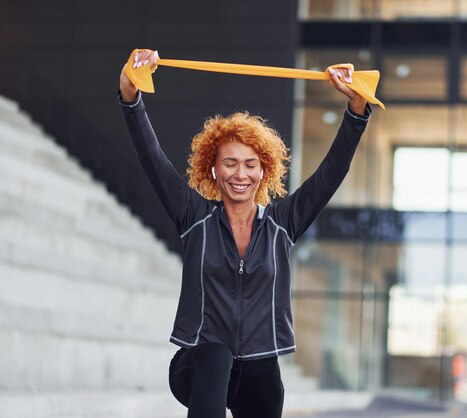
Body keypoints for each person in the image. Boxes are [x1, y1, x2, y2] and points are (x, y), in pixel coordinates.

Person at [118, 49, 371, 418]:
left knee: (264, 377)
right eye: (230, 164)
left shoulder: (284, 224)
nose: (240, 174)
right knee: (217, 355)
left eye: (250, 165)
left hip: (259, 370)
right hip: (200, 365)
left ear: (263, 172)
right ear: (215, 170)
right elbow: (151, 157)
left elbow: (331, 173)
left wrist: (356, 110)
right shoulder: (194, 217)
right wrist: (131, 96)